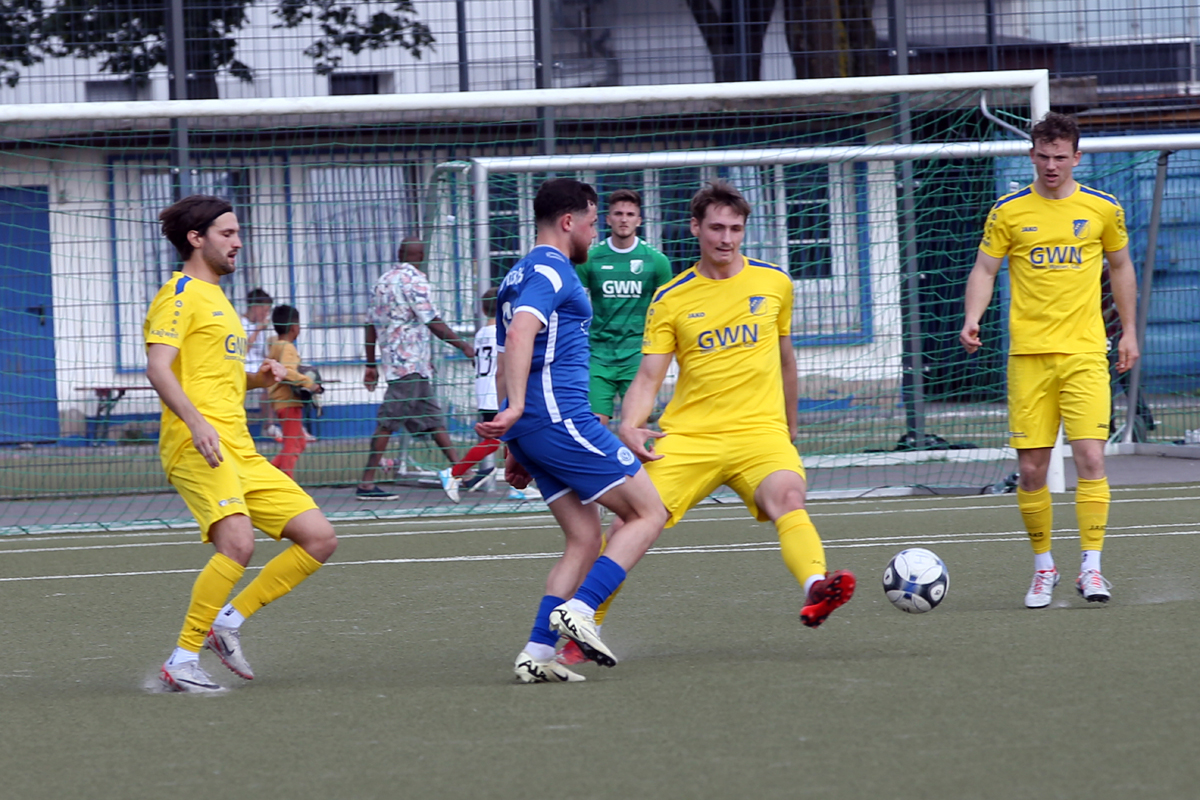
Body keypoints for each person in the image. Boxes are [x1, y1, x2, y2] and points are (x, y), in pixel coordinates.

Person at [611, 180, 856, 639]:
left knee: (789, 497)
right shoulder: (671, 298)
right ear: (695, 228)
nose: (726, 239)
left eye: (736, 229)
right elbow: (648, 377)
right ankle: (583, 626)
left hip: (759, 433)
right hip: (689, 437)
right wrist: (630, 424)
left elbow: (786, 358)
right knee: (631, 519)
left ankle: (816, 586)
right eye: (717, 228)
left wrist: (790, 423)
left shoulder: (775, 282)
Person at [475, 177, 668, 684]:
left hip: (536, 429)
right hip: (562, 420)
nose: (595, 231)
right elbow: (522, 333)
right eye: (592, 221)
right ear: (568, 222)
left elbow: (507, 358)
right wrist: (519, 410)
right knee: (649, 512)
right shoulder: (551, 268)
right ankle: (580, 610)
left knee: (584, 538)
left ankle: (537, 652)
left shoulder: (517, 273)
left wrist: (515, 439)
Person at [145, 195, 338, 693]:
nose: (238, 242)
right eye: (227, 233)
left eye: (237, 233)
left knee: (319, 538)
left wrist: (258, 378)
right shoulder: (179, 294)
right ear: (196, 239)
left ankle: (227, 622)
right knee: (237, 543)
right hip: (198, 443)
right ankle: (182, 660)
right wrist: (196, 423)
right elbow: (159, 368)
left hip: (239, 445)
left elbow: (214, 376)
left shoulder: (221, 301)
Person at [960, 111, 1139, 608]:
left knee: (1091, 459)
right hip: (1029, 358)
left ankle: (1091, 568)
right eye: (1043, 156)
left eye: (1061, 157)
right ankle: (1044, 568)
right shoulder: (1008, 211)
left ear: (1076, 157)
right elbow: (985, 268)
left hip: (1085, 353)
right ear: (1031, 155)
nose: (1052, 165)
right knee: (1033, 470)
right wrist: (972, 317)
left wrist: (1129, 332)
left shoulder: (1102, 208)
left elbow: (1121, 266)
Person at [356, 238, 475, 501]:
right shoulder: (416, 280)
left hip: (403, 364)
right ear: (422, 255)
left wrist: (371, 364)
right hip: (408, 364)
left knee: (433, 419)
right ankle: (366, 483)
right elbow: (433, 320)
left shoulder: (382, 281)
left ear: (399, 253)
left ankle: (463, 473)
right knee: (387, 422)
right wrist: (464, 346)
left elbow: (370, 324)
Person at [576, 189, 673, 424]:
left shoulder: (657, 261)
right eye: (618, 214)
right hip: (598, 355)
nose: (624, 219)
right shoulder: (590, 258)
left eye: (630, 214)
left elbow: (668, 311)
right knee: (595, 425)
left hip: (638, 356)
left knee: (635, 427)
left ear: (639, 220)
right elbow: (574, 306)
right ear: (608, 219)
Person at [441, 287, 524, 500]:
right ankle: (454, 473)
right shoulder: (502, 333)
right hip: (497, 391)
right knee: (495, 441)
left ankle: (516, 486)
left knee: (513, 438)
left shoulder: (480, 334)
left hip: (484, 390)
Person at [266, 304, 322, 479]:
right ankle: (285, 482)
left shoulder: (275, 345)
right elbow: (287, 371)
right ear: (294, 327)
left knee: (300, 442)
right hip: (288, 402)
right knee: (291, 445)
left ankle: (268, 475)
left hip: (280, 401)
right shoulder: (287, 347)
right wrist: (310, 384)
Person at [241, 287, 277, 438]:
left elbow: (263, 353)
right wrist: (257, 331)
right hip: (245, 367)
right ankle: (269, 425)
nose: (266, 315)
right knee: (267, 384)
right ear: (255, 307)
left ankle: (273, 426)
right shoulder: (240, 323)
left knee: (279, 379)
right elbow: (242, 350)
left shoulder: (260, 326)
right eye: (264, 310)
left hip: (258, 366)